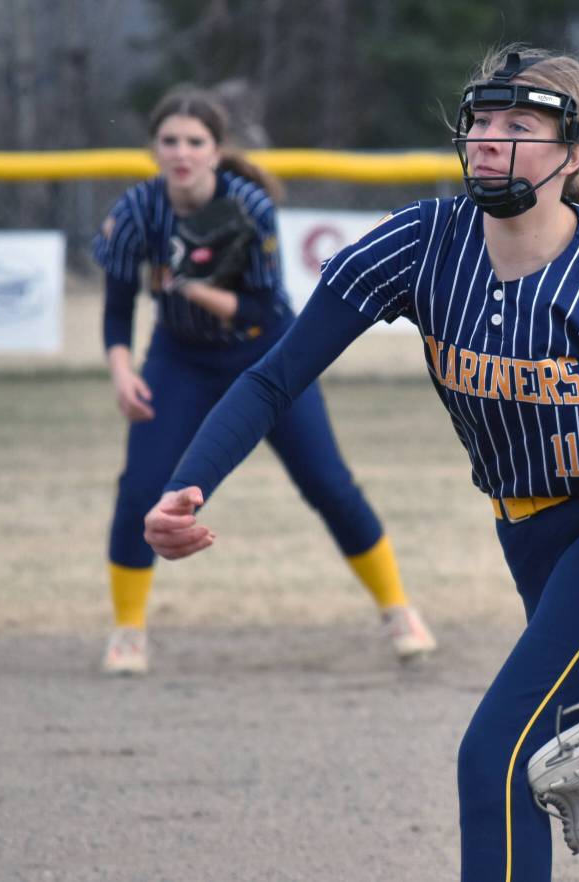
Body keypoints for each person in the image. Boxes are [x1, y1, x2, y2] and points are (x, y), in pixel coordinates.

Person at [144, 48, 579, 882]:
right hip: (542, 540)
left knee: (501, 756)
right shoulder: (424, 242)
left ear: (573, 152)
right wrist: (187, 482)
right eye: (480, 120)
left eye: (520, 125)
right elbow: (274, 375)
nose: (488, 139)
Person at [93, 85, 436, 675]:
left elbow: (257, 311)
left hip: (268, 354)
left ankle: (398, 609)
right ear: (153, 149)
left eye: (195, 141)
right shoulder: (137, 212)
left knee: (328, 484)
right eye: (169, 140)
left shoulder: (248, 206)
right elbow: (118, 304)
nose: (181, 152)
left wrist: (190, 287)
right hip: (179, 358)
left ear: (216, 149)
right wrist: (121, 370)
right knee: (142, 488)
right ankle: (128, 631)